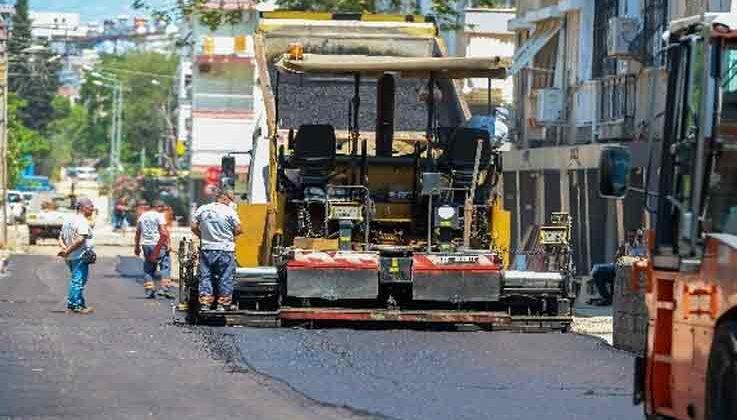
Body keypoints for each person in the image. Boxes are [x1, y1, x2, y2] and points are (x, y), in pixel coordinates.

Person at [191, 188, 242, 311]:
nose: (231, 202)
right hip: (225, 249)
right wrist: (228, 236)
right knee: (225, 276)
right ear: (225, 198)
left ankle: (205, 303)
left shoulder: (203, 209)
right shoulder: (229, 211)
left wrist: (203, 236)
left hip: (207, 248)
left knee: (205, 276)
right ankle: (223, 304)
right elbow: (239, 229)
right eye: (230, 199)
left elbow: (193, 226)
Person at [58, 198, 96, 314]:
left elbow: (60, 237)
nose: (92, 208)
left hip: (69, 256)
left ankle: (80, 304)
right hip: (79, 255)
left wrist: (64, 249)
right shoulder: (81, 221)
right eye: (90, 206)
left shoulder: (68, 220)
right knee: (78, 281)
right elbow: (80, 239)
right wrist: (68, 250)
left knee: (77, 280)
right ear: (82, 208)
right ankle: (74, 305)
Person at [135, 200, 173, 299]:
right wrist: (168, 244)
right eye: (162, 208)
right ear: (158, 207)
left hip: (146, 245)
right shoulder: (159, 216)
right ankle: (164, 289)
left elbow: (138, 232)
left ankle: (149, 291)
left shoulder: (143, 216)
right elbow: (163, 232)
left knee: (148, 268)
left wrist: (137, 247)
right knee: (165, 266)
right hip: (158, 245)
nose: (163, 210)